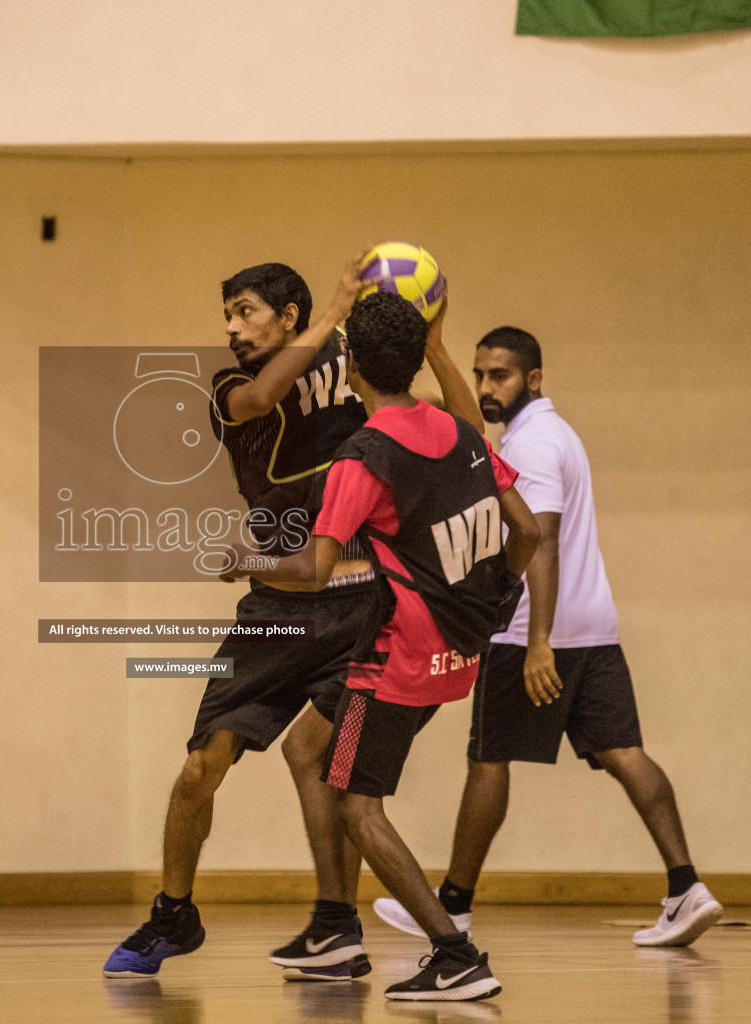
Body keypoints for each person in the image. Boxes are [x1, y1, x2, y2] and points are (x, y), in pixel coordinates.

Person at [103, 258, 482, 982]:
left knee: (318, 762)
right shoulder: (228, 386)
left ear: (287, 315)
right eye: (227, 315)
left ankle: (337, 925)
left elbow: (461, 432)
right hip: (275, 612)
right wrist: (335, 310)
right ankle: (173, 914)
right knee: (198, 769)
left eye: (245, 312)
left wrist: (431, 342)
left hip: (358, 607)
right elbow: (257, 402)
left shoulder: (353, 365)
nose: (231, 328)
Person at [226, 291, 540, 1001]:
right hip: (459, 651)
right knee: (308, 747)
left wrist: (246, 561)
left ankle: (455, 954)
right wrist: (493, 601)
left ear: (351, 368)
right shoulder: (462, 433)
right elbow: (526, 533)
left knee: (353, 804)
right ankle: (336, 929)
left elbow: (310, 570)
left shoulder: (362, 456)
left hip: (396, 657)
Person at [373, 326, 723, 948]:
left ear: (533, 379)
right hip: (593, 627)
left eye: (500, 376)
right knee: (622, 752)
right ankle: (686, 886)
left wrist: (537, 641)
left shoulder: (533, 445)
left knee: (488, 760)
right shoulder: (557, 435)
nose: (486, 388)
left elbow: (540, 537)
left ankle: (453, 905)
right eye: (480, 375)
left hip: (532, 633)